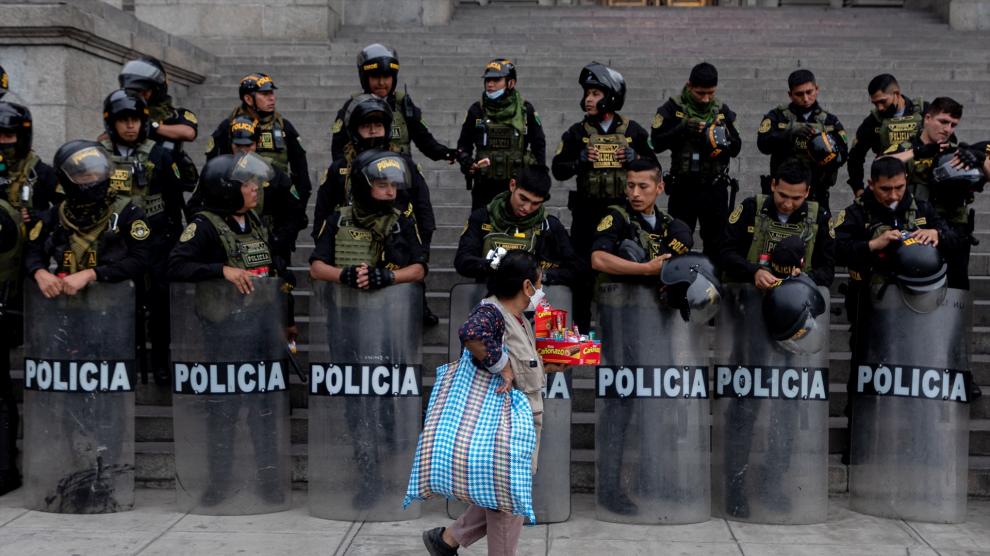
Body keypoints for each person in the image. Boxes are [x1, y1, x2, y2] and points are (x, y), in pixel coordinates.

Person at [422, 249, 566, 556]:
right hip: (504, 424)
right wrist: (502, 365)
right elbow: (471, 334)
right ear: (527, 286)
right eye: (538, 285)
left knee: (499, 495)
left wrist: (545, 365)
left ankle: (446, 540)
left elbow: (521, 360)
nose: (540, 291)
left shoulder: (516, 316)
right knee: (507, 499)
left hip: (521, 421)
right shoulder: (492, 312)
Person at [167, 153, 290, 506]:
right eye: (247, 184)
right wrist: (221, 271)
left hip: (262, 330)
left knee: (264, 412)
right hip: (226, 334)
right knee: (224, 411)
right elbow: (176, 264)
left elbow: (272, 272)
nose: (254, 189)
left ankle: (269, 483)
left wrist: (287, 322)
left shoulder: (254, 221)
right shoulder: (204, 225)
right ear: (225, 190)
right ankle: (218, 484)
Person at [834, 156, 957, 462]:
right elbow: (833, 248)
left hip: (915, 307)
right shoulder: (856, 212)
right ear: (871, 185)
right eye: (885, 189)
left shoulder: (921, 209)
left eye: (899, 187)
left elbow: (957, 239)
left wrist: (937, 236)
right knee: (865, 375)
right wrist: (872, 246)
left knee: (914, 375)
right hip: (870, 304)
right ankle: (858, 445)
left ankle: (915, 443)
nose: (893, 195)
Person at [589, 157, 694, 516]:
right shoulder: (616, 217)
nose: (634, 193)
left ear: (659, 187)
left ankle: (657, 481)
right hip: (619, 320)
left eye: (643, 186)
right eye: (630, 185)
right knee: (620, 406)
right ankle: (610, 489)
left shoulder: (669, 225)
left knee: (656, 403)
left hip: (656, 324)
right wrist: (645, 269)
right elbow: (599, 259)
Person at [314, 94, 438, 325]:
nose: (373, 131)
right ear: (354, 130)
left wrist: (420, 250)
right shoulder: (339, 169)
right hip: (351, 249)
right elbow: (321, 216)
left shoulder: (403, 164)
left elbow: (423, 207)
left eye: (378, 125)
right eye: (366, 126)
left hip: (396, 249)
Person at [552, 62, 658, 329]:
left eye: (596, 93)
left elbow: (656, 168)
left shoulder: (633, 131)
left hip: (622, 215)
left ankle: (622, 327)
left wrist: (637, 158)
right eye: (587, 93)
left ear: (611, 96)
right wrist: (580, 160)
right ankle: (582, 330)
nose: (589, 99)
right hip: (587, 214)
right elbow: (557, 169)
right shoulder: (577, 133)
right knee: (582, 273)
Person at [100, 89, 186, 385]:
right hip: (117, 244)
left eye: (135, 119)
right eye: (123, 120)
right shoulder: (99, 156)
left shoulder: (160, 153)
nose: (130, 126)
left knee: (160, 306)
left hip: (156, 241)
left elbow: (175, 198)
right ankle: (128, 364)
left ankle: (161, 366)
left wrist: (173, 238)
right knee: (122, 305)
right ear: (112, 123)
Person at [0, 100, 59, 495]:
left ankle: (7, 470)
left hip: (25, 284)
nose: (4, 144)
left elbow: (59, 221)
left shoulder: (42, 173)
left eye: (10, 136)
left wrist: (34, 221)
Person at [881, 96, 990, 290]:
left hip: (953, 231)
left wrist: (979, 157)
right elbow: (881, 165)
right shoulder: (907, 149)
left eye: (953, 125)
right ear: (927, 118)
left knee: (957, 286)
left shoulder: (957, 153)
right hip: (915, 228)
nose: (947, 129)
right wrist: (919, 152)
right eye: (943, 121)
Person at [23, 140, 152, 298]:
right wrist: (39, 271)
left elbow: (140, 259)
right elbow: (32, 248)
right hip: (64, 304)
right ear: (67, 181)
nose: (94, 180)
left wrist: (92, 274)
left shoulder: (128, 213)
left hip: (115, 303)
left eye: (98, 173)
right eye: (85, 176)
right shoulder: (57, 214)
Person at [651, 62, 741, 260]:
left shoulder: (721, 110)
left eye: (710, 93)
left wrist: (721, 134)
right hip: (684, 188)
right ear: (689, 86)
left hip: (714, 187)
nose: (705, 98)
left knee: (717, 242)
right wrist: (682, 128)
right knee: (677, 240)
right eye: (700, 93)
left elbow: (736, 147)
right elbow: (656, 143)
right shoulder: (672, 108)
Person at [330, 43, 457, 164]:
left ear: (393, 78)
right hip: (364, 177)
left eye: (386, 77)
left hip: (401, 175)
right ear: (365, 78)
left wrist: (447, 153)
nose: (381, 83)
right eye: (375, 77)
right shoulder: (352, 107)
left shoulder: (403, 104)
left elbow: (424, 140)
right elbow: (338, 149)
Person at [455, 164, 578, 287]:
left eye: (535, 203)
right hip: (489, 294)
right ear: (512, 185)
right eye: (523, 199)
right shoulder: (482, 218)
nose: (527, 208)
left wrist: (542, 275)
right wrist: (490, 265)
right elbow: (462, 261)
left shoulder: (550, 226)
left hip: (534, 298)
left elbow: (575, 268)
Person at [721, 158, 835, 289]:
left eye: (796, 198)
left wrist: (804, 277)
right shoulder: (750, 208)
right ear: (773, 185)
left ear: (807, 192)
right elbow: (726, 253)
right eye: (783, 195)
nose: (787, 204)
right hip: (750, 292)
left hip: (797, 295)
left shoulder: (820, 218)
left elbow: (827, 270)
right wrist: (754, 271)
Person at [206, 73, 311, 209]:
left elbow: (301, 172)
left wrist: (299, 208)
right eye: (265, 94)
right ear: (249, 99)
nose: (272, 98)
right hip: (238, 205)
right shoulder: (229, 127)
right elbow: (213, 170)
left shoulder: (284, 127)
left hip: (277, 206)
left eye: (272, 93)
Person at [456, 59, 546, 211]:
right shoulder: (476, 110)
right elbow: (463, 144)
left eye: (496, 80)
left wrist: (538, 178)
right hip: (484, 186)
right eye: (487, 80)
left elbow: (539, 144)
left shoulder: (525, 110)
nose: (490, 85)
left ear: (511, 83)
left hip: (516, 187)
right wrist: (467, 162)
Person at [756, 69, 848, 213]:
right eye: (799, 94)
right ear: (790, 94)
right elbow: (763, 144)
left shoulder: (830, 121)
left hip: (817, 190)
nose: (805, 98)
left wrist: (826, 149)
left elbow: (843, 155)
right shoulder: (777, 116)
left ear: (816, 89)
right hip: (784, 191)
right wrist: (788, 134)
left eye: (809, 92)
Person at [117, 56, 200, 189]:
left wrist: (151, 126)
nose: (140, 96)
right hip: (135, 176)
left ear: (156, 90)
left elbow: (189, 133)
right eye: (135, 91)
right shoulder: (128, 114)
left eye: (144, 91)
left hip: (168, 179)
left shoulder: (175, 114)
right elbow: (103, 140)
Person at [846, 74, 928, 196]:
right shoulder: (873, 121)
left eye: (883, 101)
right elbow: (855, 157)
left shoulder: (923, 111)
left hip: (922, 185)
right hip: (888, 189)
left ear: (896, 93)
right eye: (875, 103)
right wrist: (858, 189)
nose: (880, 108)